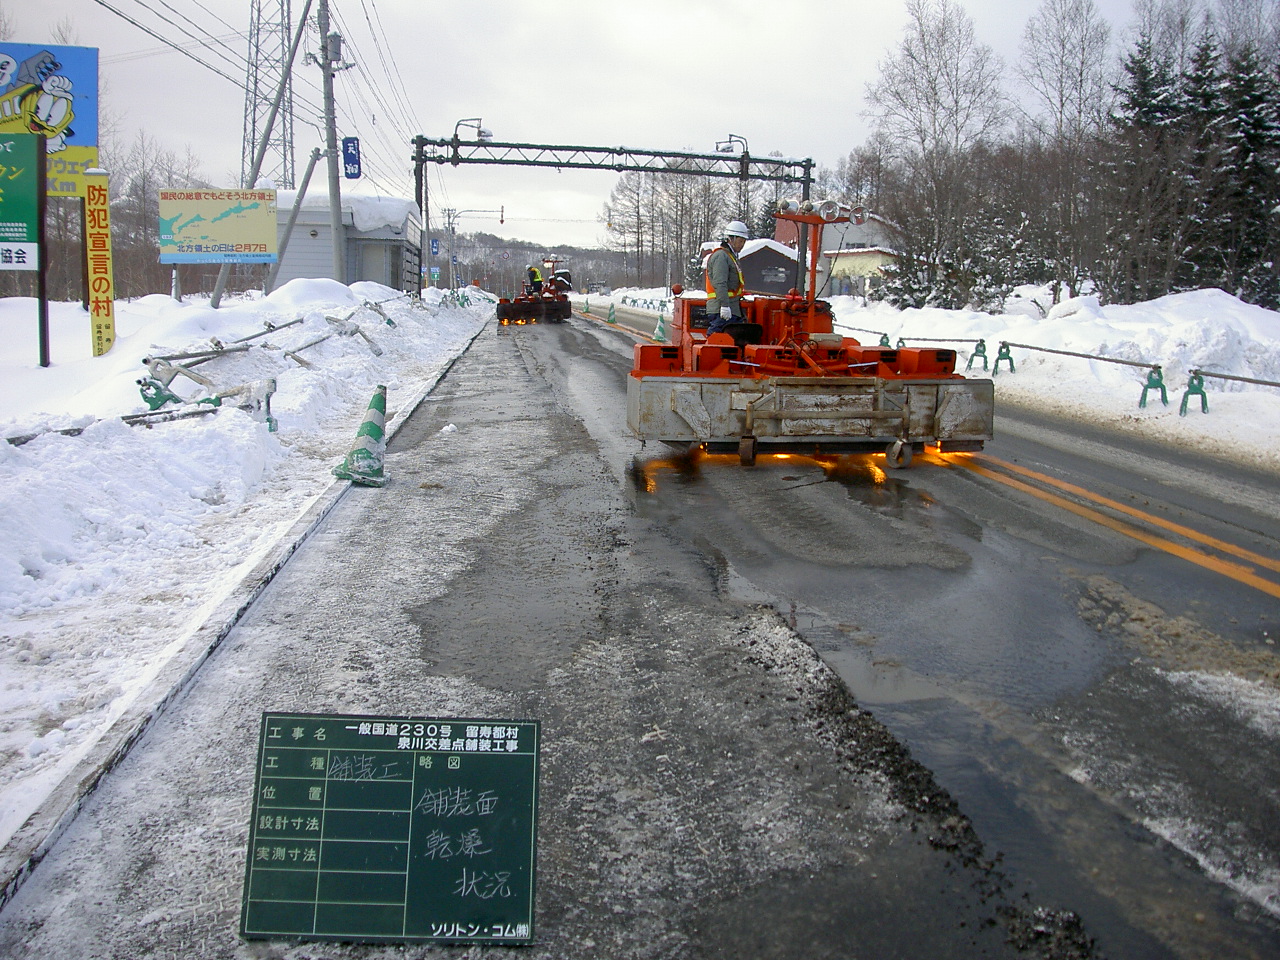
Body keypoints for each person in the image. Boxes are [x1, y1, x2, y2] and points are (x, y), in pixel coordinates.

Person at [704, 220, 749, 334]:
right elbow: (720, 283)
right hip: (721, 309)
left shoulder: (730, 257)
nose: (742, 244)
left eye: (744, 241)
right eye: (740, 241)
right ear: (731, 239)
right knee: (717, 340)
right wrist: (724, 306)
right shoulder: (721, 256)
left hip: (732, 308)